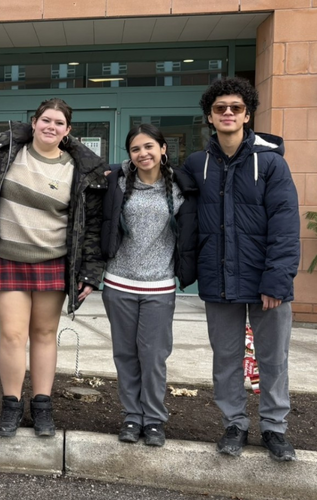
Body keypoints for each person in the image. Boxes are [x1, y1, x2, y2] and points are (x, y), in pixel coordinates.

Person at [180, 77, 300, 461]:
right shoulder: (197, 165)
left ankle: (274, 428)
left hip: (267, 281)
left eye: (235, 107)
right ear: (210, 117)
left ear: (247, 115)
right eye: (220, 108)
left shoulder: (272, 164)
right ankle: (234, 424)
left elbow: (285, 225)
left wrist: (277, 280)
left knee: (272, 359)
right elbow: (157, 179)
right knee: (226, 359)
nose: (228, 113)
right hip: (219, 280)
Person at [0, 98, 108, 437]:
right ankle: (10, 405)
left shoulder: (79, 169)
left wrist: (91, 271)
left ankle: (42, 405)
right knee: (12, 334)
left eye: (59, 123)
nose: (51, 127)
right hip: (8, 257)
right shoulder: (5, 152)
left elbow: (91, 225)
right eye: (45, 120)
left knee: (45, 334)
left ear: (68, 130)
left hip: (52, 260)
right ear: (33, 122)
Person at [100, 123, 198, 447]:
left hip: (158, 287)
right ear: (129, 155)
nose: (143, 153)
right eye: (135, 149)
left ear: (162, 149)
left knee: (153, 356)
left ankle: (154, 419)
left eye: (149, 147)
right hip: (119, 283)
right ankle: (131, 416)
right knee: (125, 355)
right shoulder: (117, 182)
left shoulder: (179, 186)